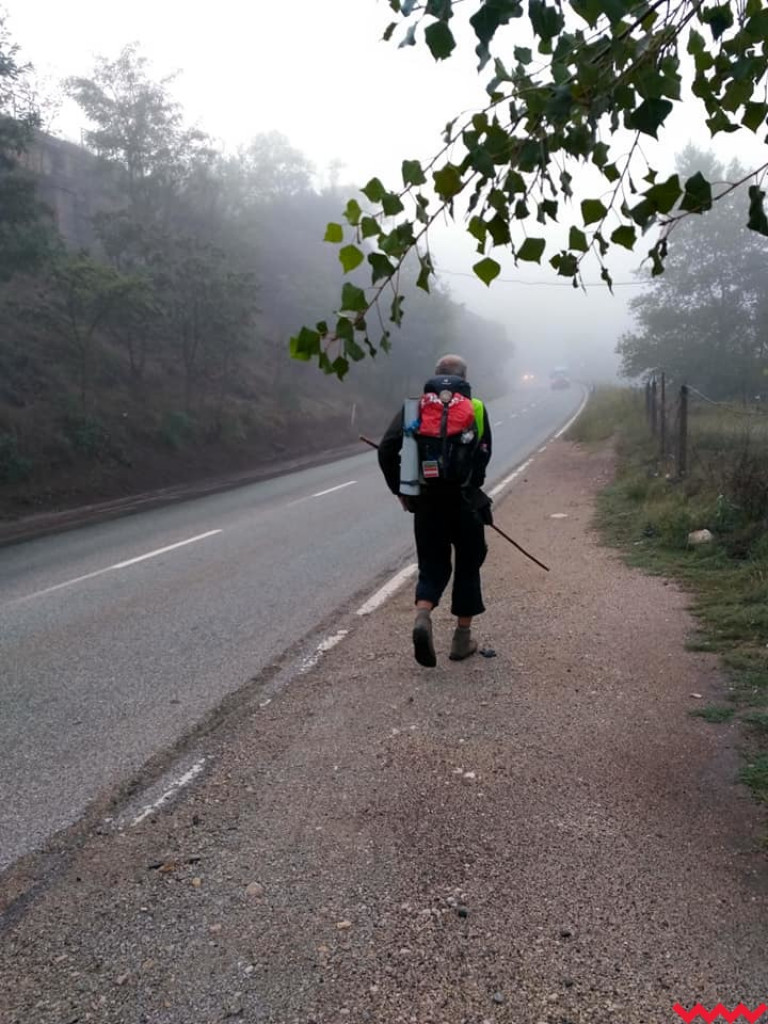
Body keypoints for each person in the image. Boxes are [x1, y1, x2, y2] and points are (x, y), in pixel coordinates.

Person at [377, 354, 493, 667]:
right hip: (465, 502)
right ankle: (461, 638)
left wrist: (401, 490)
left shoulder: (414, 408)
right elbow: (484, 455)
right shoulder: (477, 408)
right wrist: (472, 485)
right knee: (469, 562)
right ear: (465, 377)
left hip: (427, 503)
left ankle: (423, 616)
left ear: (435, 374)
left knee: (432, 564)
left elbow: (388, 449)